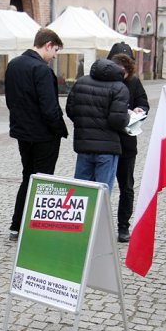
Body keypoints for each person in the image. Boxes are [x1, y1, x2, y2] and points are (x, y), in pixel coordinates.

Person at [4, 28, 68, 241]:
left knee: (27, 177)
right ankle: (36, 228)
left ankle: (17, 225)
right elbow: (50, 108)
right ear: (48, 44)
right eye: (55, 50)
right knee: (43, 180)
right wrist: (60, 130)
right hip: (43, 135)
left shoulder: (13, 65)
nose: (55, 56)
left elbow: (9, 101)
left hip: (23, 133)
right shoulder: (41, 69)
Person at [66, 58, 130, 191]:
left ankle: (83, 212)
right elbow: (117, 121)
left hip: (84, 145)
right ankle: (99, 213)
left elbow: (71, 110)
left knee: (80, 192)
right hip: (107, 148)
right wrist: (128, 118)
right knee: (102, 192)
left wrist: (84, 123)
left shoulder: (81, 82)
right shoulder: (120, 88)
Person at [110, 52, 149, 243]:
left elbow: (143, 102)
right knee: (102, 187)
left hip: (127, 142)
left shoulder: (134, 82)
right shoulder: (104, 81)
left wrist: (141, 110)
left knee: (126, 187)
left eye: (124, 72)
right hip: (107, 142)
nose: (121, 75)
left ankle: (123, 226)